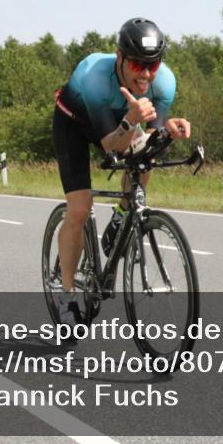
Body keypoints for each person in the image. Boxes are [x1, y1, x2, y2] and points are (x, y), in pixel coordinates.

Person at [52, 18, 191, 325]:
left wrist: (167, 132)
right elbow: (112, 148)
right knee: (79, 209)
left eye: (152, 66)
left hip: (121, 119)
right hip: (74, 123)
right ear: (120, 58)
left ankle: (122, 214)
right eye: (137, 64)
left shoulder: (164, 81)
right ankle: (66, 294)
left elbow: (151, 140)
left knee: (146, 157)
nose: (145, 74)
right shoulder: (95, 79)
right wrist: (130, 121)